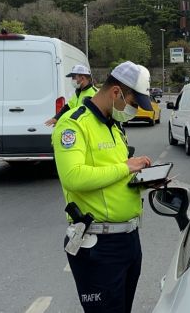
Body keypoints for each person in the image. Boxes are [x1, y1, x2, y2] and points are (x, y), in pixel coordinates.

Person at [52, 61, 155, 313]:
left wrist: (146, 180)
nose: (133, 110)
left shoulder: (115, 127)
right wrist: (126, 168)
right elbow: (73, 177)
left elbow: (114, 177)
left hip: (129, 240)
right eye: (133, 103)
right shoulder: (73, 124)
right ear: (116, 92)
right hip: (99, 244)